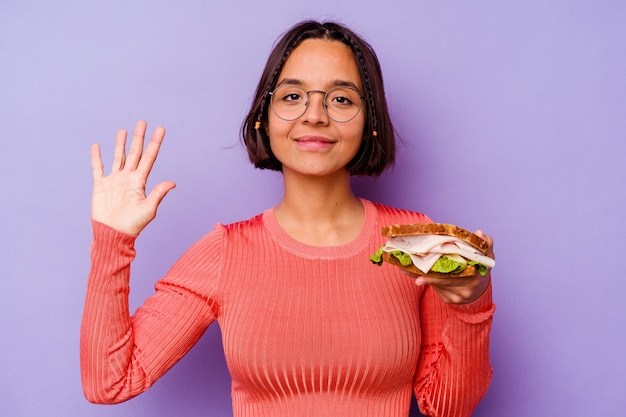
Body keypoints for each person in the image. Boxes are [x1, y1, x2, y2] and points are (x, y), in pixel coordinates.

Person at [80, 20, 495, 417]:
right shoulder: (226, 252)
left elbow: (448, 407)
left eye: (342, 99)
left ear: (370, 122)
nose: (314, 115)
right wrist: (112, 240)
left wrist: (471, 306)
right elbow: (109, 381)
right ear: (265, 116)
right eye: (293, 96)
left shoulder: (415, 242)